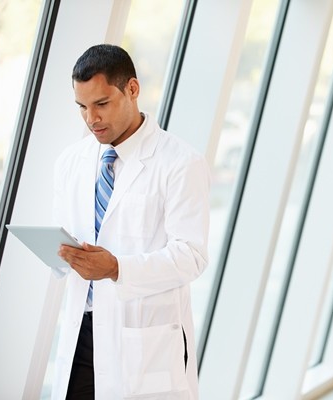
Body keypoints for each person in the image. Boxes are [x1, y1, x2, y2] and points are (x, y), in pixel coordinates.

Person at [52, 44, 210, 399]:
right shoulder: (71, 161)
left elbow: (191, 256)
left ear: (132, 90)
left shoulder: (180, 163)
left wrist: (116, 268)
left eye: (102, 104)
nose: (91, 118)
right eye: (82, 107)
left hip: (144, 340)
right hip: (83, 333)